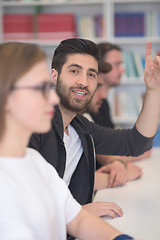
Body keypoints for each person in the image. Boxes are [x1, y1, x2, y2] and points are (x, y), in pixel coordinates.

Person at [0, 41, 136, 240]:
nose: (53, 99)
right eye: (40, 88)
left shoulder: (34, 161)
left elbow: (78, 219)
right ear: (6, 95)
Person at [29, 38, 160, 219]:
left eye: (91, 74)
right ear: (54, 75)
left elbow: (137, 143)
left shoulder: (80, 128)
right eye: (74, 71)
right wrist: (79, 213)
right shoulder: (36, 126)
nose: (83, 82)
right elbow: (21, 203)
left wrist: (154, 90)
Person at [82, 63, 143, 189]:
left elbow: (105, 153)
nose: (103, 95)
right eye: (98, 87)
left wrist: (117, 163)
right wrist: (120, 176)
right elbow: (65, 182)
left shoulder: (84, 121)